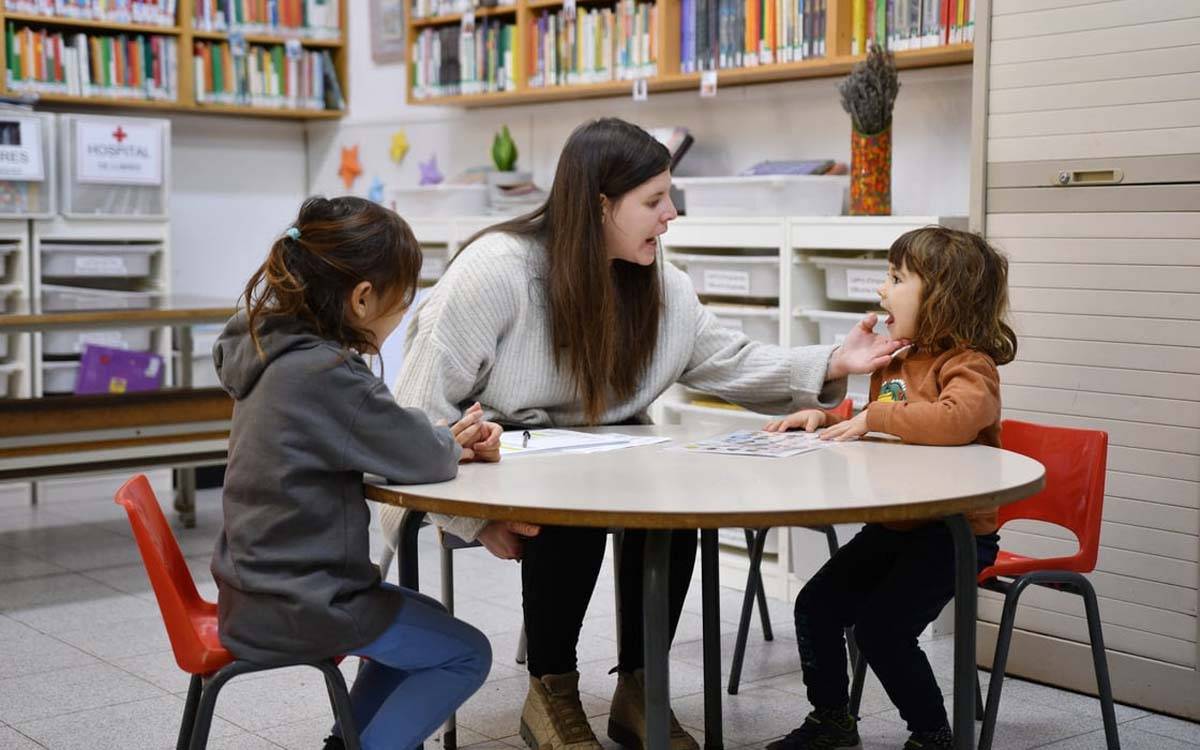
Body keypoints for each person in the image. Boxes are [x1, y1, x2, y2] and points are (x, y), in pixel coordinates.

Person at [379, 117, 904, 750]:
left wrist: (833, 363)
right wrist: (473, 518)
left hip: (603, 462)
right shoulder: (494, 272)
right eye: (655, 200)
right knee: (565, 505)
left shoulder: (659, 285)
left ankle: (641, 689)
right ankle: (552, 690)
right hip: (498, 474)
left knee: (669, 505)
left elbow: (729, 360)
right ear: (601, 204)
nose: (672, 213)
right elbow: (413, 416)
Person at [210, 196, 503, 750]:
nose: (399, 320)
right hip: (308, 603)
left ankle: (347, 741)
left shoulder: (271, 351)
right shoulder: (325, 371)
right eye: (402, 305)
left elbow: (382, 434)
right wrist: (451, 443)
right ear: (363, 299)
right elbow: (421, 456)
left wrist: (436, 441)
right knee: (467, 653)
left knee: (427, 617)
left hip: (256, 590)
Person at [763, 226, 1017, 750]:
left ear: (943, 295)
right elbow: (881, 418)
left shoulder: (969, 366)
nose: (882, 290)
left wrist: (875, 414)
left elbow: (952, 420)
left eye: (897, 278)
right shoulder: (900, 359)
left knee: (882, 629)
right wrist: (828, 414)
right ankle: (831, 719)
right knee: (816, 606)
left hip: (952, 533)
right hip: (896, 526)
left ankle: (932, 735)